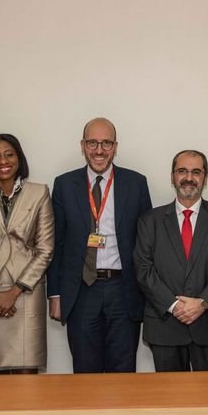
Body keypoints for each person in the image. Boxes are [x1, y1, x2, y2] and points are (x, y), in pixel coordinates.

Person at [47, 117, 152, 373]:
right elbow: (57, 243)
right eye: (92, 143)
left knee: (123, 370)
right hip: (81, 291)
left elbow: (147, 244)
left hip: (123, 290)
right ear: (82, 146)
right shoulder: (64, 185)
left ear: (115, 147)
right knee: (85, 371)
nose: (99, 150)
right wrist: (55, 294)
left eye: (106, 143)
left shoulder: (136, 183)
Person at [134, 149, 208, 372]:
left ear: (205, 177)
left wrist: (201, 303)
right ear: (172, 176)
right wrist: (174, 306)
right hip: (165, 326)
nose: (189, 178)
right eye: (182, 171)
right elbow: (144, 269)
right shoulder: (150, 220)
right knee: (169, 393)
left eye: (196, 172)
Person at [0, 133, 54, 374]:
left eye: (9, 155)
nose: (3, 161)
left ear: (19, 158)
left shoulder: (39, 192)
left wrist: (15, 291)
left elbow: (46, 249)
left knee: (27, 378)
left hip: (27, 291)